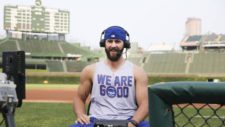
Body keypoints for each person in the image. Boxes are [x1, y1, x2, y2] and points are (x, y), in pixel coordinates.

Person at [70, 26, 149, 127]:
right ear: (104, 43)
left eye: (117, 41)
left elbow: (145, 103)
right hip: (96, 120)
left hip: (128, 119)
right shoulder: (90, 70)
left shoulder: (137, 72)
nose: (113, 45)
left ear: (124, 44)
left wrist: (133, 122)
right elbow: (79, 97)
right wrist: (80, 114)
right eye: (110, 41)